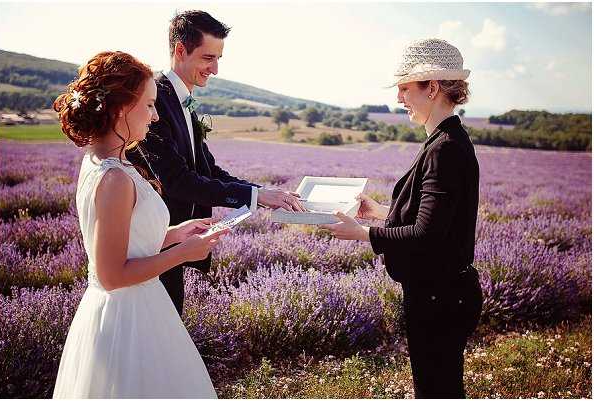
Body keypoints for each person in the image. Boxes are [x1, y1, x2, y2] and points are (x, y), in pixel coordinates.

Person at [52, 51, 224, 398]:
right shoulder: (114, 178)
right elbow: (112, 275)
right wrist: (182, 253)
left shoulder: (108, 161)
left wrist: (176, 234)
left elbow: (127, 240)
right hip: (126, 321)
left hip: (141, 307)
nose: (156, 115)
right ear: (119, 110)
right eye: (148, 105)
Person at [321, 38, 483, 398]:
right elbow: (439, 217)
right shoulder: (446, 140)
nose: (399, 98)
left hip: (440, 298)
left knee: (436, 390)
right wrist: (381, 212)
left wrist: (363, 233)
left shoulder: (445, 149)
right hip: (444, 294)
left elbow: (427, 235)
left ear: (434, 87)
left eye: (405, 88)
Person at [127, 10, 304, 316]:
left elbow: (207, 170)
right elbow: (178, 180)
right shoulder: (154, 100)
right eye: (208, 58)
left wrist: (262, 194)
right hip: (153, 245)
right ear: (180, 51)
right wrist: (255, 196)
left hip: (173, 244)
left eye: (219, 58)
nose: (216, 69)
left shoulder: (184, 101)